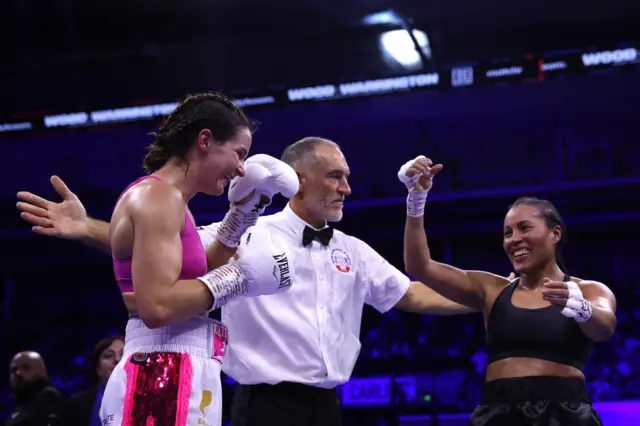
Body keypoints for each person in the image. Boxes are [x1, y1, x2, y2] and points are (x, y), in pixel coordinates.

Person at [17, 137, 480, 426]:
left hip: (328, 407)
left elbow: (414, 293)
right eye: (336, 176)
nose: (347, 188)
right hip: (263, 406)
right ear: (299, 180)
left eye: (347, 178)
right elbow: (157, 247)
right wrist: (87, 228)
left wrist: (492, 298)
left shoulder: (351, 249)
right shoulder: (246, 233)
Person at [20, 91, 299, 426]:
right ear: (205, 140)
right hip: (162, 369)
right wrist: (239, 277)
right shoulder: (159, 197)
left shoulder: (173, 202)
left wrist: (237, 223)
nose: (242, 168)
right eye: (239, 153)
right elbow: (158, 307)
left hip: (178, 364)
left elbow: (188, 284)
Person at [399, 155, 617, 425]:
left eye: (524, 228)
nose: (515, 239)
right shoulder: (492, 289)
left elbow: (604, 326)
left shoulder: (588, 289)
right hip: (497, 411)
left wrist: (580, 307)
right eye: (508, 233)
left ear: (555, 234)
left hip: (564, 413)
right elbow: (420, 266)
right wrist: (416, 199)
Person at [55, 336, 124, 426]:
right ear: (98, 369)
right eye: (109, 356)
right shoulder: (75, 406)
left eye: (124, 354)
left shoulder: (147, 402)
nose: (117, 359)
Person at [7, 351, 62, 426]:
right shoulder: (18, 408)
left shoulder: (48, 396)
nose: (18, 373)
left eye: (26, 368)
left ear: (43, 371)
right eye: (14, 370)